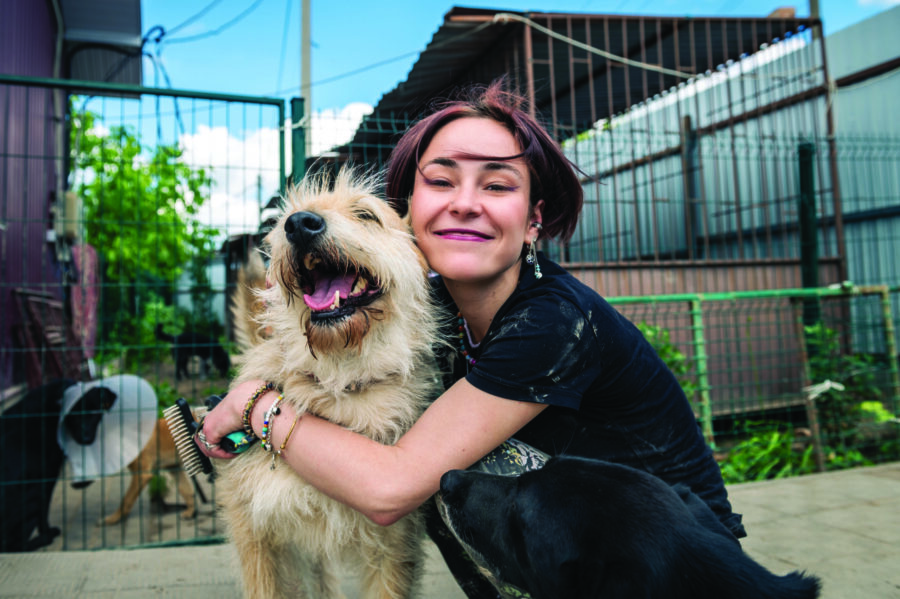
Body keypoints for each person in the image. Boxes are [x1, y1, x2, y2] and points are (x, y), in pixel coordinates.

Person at [198, 80, 745, 597]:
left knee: (429, 474)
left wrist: (253, 405)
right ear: (411, 219)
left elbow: (389, 489)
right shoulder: (429, 313)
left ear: (533, 221)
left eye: (497, 184)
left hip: (670, 578)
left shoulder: (553, 323)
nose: (464, 202)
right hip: (578, 567)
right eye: (440, 180)